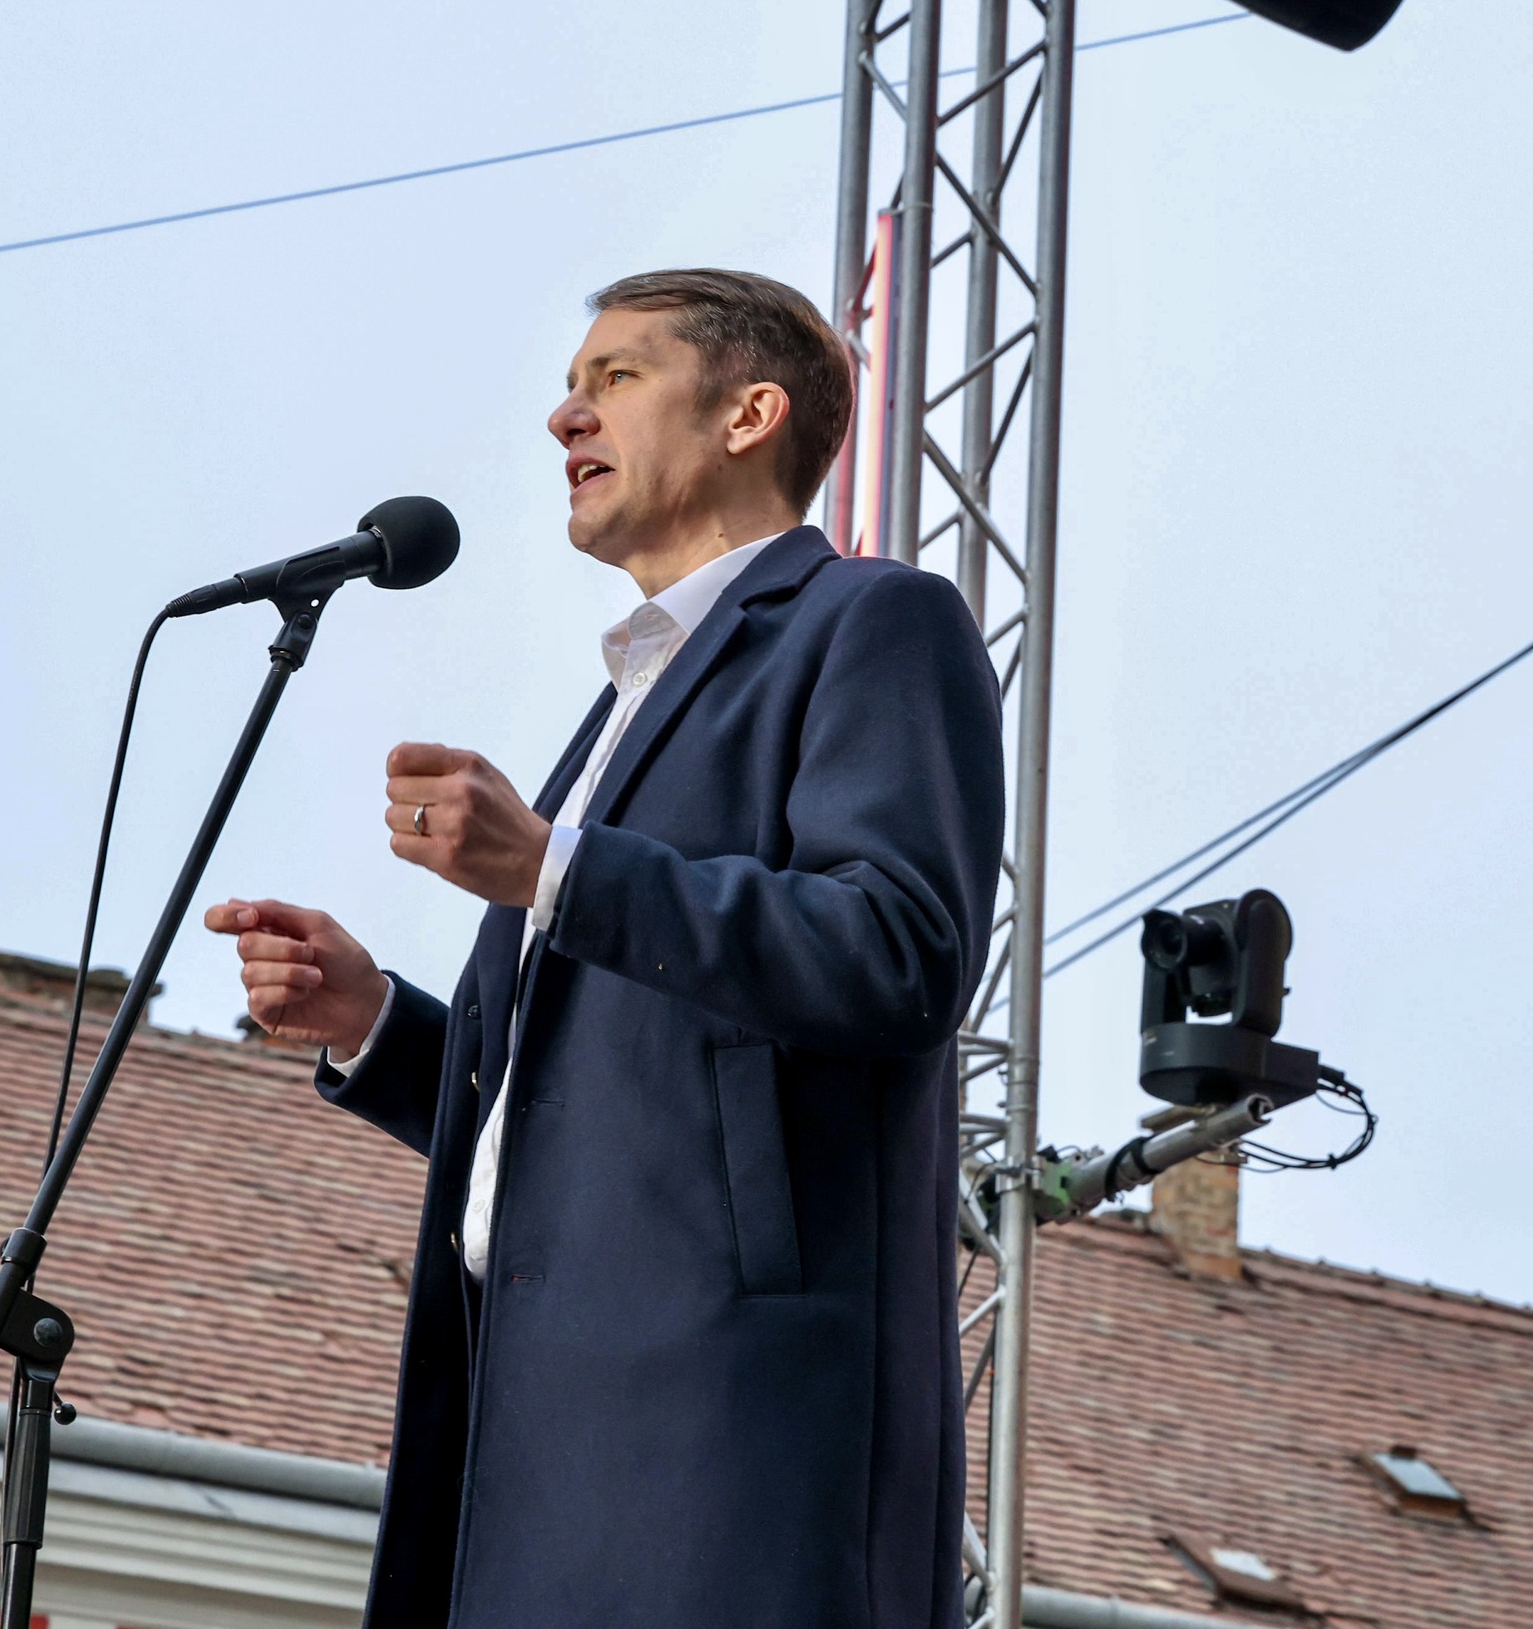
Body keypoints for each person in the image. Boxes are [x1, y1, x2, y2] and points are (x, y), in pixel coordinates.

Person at [205, 268, 1004, 1628]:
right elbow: (594, 1097)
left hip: (726, 1438)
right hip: (525, 1431)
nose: (565, 417)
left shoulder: (872, 622)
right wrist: (376, 1023)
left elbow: (898, 950)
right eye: (572, 386)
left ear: (749, 415)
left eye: (616, 378)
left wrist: (553, 868)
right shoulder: (623, 701)